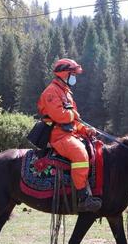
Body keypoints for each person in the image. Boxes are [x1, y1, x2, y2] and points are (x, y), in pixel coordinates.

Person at [37, 58, 102, 212]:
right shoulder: (51, 92)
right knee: (80, 155)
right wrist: (73, 114)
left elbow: (74, 120)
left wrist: (86, 130)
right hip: (58, 136)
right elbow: (60, 116)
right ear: (65, 74)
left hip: (69, 133)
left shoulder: (66, 92)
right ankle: (83, 197)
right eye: (73, 74)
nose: (75, 78)